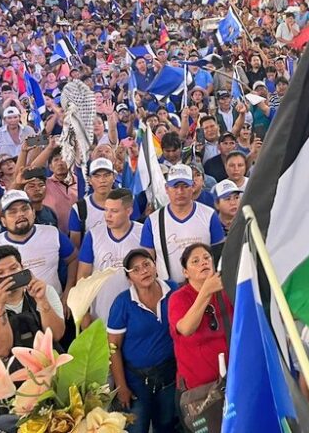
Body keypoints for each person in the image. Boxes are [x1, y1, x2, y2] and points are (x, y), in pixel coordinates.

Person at [0, 245, 66, 421]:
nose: (8, 276)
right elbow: (2, 351)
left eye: (13, 269)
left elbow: (56, 335)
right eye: (0, 273)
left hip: (48, 390)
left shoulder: (45, 292)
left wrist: (42, 301)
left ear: (23, 268)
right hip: (3, 402)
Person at [0, 190, 77, 307]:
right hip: (13, 315)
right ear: (3, 221)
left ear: (33, 213)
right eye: (12, 212)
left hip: (53, 307)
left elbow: (73, 259)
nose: (20, 214)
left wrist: (68, 292)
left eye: (25, 209)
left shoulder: (52, 233)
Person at [108, 249, 178, 433]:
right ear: (129, 278)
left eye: (147, 264)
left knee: (166, 426)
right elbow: (113, 347)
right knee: (137, 428)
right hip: (135, 381)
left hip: (169, 376)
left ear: (155, 266)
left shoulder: (173, 290)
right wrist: (121, 387)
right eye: (136, 269)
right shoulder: (122, 303)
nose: (143, 271)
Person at [141, 164, 225, 283]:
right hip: (169, 289)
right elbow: (147, 261)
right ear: (166, 188)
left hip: (205, 286)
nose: (180, 191)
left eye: (185, 186)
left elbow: (219, 256)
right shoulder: (153, 220)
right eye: (175, 186)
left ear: (193, 187)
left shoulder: (209, 215)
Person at [168, 243, 232, 393]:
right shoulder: (178, 298)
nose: (203, 262)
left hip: (231, 380)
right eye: (195, 261)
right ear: (185, 272)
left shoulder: (226, 291)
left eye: (206, 258)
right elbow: (186, 329)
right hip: (198, 390)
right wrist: (206, 291)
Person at [77, 188, 143, 325]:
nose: (108, 215)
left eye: (114, 211)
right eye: (106, 210)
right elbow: (83, 275)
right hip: (100, 313)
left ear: (129, 211)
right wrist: (83, 312)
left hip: (137, 311)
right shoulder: (93, 235)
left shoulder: (142, 233)